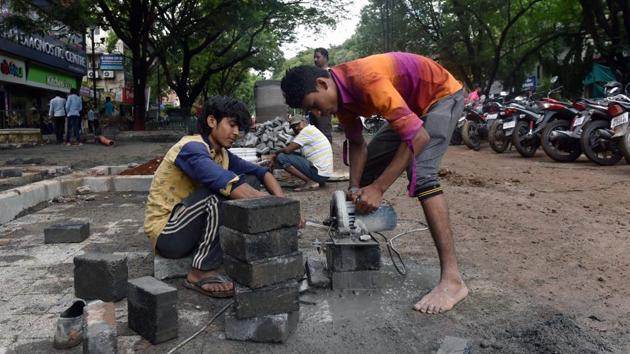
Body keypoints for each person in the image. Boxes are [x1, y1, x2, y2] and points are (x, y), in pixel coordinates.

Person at [281, 52, 468, 314]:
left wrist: (378, 189)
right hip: (410, 109)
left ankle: (452, 281)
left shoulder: (364, 80)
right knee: (367, 172)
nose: (316, 112)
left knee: (422, 174)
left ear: (322, 85)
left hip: (440, 96)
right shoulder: (341, 101)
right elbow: (358, 144)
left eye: (313, 104)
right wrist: (355, 189)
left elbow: (419, 138)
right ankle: (357, 241)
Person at [144, 96, 291, 298]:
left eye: (239, 127)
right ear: (212, 121)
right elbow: (225, 184)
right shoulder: (191, 148)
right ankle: (200, 271)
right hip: (169, 235)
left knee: (249, 179)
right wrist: (279, 212)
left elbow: (261, 173)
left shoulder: (222, 153)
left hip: (189, 226)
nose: (237, 133)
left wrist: (283, 202)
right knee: (220, 193)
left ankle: (221, 245)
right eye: (232, 125)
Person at [272, 114, 333, 191]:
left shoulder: (306, 131)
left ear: (304, 121)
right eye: (293, 127)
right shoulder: (311, 129)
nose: (296, 128)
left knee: (281, 157)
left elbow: (288, 150)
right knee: (292, 155)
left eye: (297, 124)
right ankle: (318, 181)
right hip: (325, 175)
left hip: (319, 174)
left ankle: (309, 182)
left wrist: (275, 153)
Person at [308, 47, 333, 143]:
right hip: (312, 109)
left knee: (325, 135)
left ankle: (328, 156)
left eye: (318, 57)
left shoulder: (330, 73)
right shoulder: (314, 74)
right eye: (314, 57)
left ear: (325, 58)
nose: (315, 59)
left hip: (323, 109)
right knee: (315, 136)